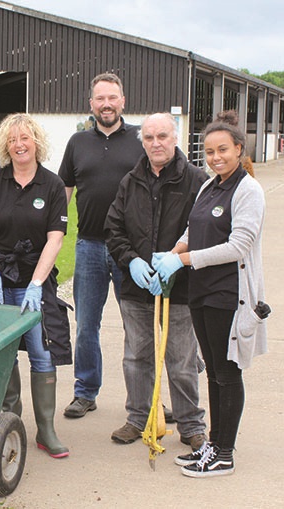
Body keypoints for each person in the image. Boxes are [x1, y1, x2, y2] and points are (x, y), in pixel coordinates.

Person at [153, 116, 268, 477]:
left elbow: (238, 246)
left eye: (223, 150)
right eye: (210, 151)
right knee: (215, 373)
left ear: (239, 149)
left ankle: (224, 453)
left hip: (229, 294)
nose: (216, 157)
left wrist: (184, 260)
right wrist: (173, 253)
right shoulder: (210, 186)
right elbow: (193, 227)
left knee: (227, 372)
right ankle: (212, 447)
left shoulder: (248, 191)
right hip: (202, 292)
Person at [0, 113, 71, 458]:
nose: (19, 144)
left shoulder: (52, 185)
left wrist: (37, 284)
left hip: (33, 280)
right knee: (4, 356)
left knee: (42, 353)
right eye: (12, 140)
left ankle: (46, 431)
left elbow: (55, 239)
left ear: (37, 142)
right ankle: (9, 425)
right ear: (4, 145)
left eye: (25, 138)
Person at [104, 113, 208, 449]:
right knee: (136, 357)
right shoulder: (131, 180)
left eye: (162, 136)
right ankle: (138, 417)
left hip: (179, 289)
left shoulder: (196, 180)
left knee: (180, 360)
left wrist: (176, 262)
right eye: (149, 138)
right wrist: (131, 261)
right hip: (137, 289)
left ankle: (191, 424)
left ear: (175, 137)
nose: (155, 143)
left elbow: (205, 231)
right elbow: (113, 229)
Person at [58, 73, 145, 418]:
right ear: (90, 104)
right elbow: (62, 193)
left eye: (112, 97)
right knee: (87, 325)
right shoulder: (77, 142)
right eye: (100, 98)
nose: (106, 104)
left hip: (132, 251)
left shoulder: (142, 138)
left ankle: (144, 395)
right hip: (90, 247)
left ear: (123, 100)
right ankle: (85, 391)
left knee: (137, 325)